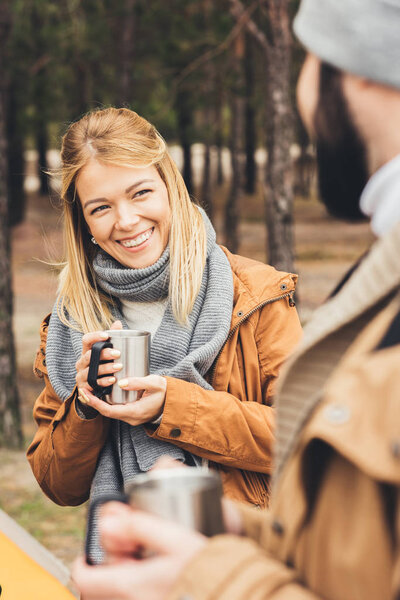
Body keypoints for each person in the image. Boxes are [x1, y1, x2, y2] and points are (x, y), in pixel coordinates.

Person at [72, 0, 400, 598]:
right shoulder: (381, 272)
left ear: (360, 66)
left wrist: (209, 579)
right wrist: (245, 533)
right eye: (100, 207)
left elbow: (289, 442)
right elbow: (366, 550)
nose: (300, 94)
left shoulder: (257, 292)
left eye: (307, 60)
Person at [26, 107, 301, 563]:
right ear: (85, 223)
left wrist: (170, 407)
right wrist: (85, 406)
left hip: (241, 567)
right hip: (125, 569)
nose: (127, 220)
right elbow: (57, 484)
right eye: (101, 208)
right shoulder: (74, 319)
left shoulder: (254, 295)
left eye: (140, 193)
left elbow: (301, 438)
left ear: (169, 186)